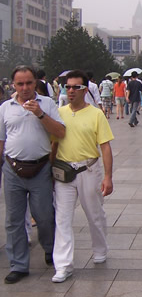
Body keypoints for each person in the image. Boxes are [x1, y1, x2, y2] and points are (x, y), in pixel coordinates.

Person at [0, 65, 66, 284]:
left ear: (35, 82)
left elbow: (60, 132)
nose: (25, 88)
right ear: (13, 85)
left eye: (29, 83)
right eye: (20, 84)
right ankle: (18, 264)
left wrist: (39, 114)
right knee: (14, 220)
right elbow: (1, 140)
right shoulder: (5, 108)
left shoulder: (47, 104)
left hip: (40, 168)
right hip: (13, 169)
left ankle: (49, 248)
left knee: (44, 215)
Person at [51, 70, 114, 283]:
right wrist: (50, 169)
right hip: (64, 172)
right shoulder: (59, 113)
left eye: (75, 87)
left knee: (95, 214)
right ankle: (63, 265)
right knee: (62, 218)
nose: (70, 91)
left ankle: (100, 249)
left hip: (89, 169)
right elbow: (54, 143)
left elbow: (105, 147)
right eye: (67, 87)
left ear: (85, 90)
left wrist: (108, 176)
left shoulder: (96, 114)